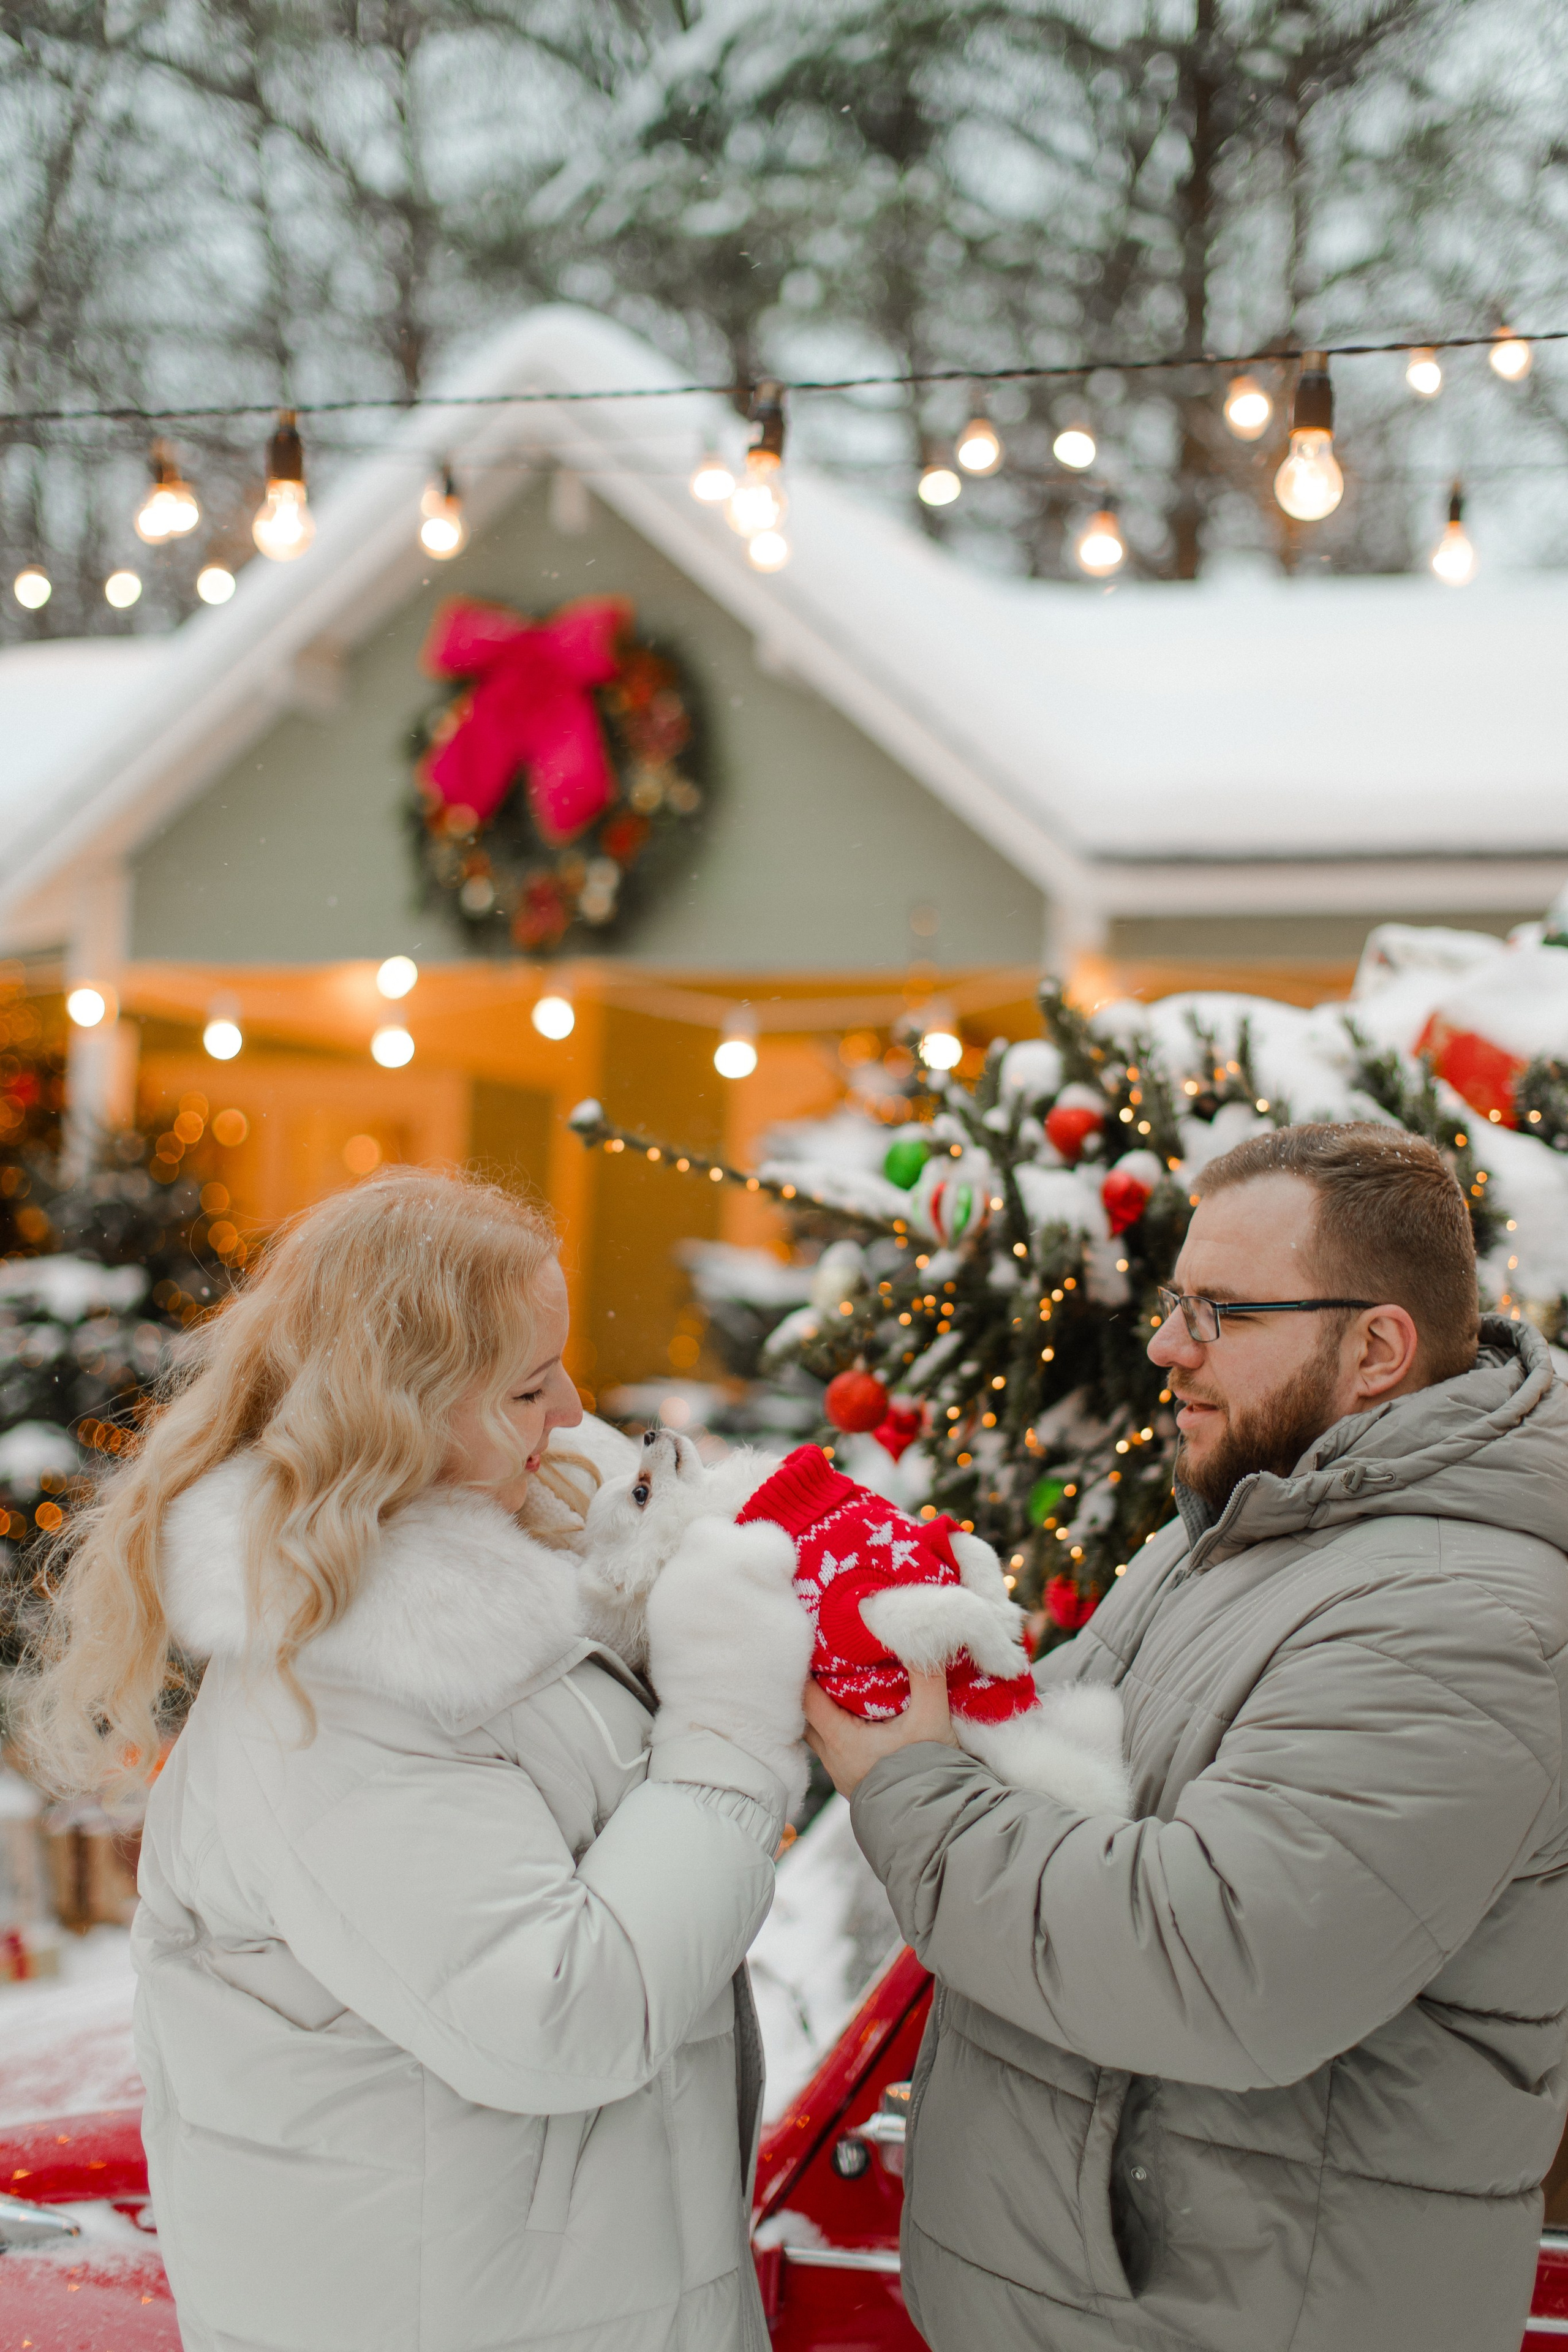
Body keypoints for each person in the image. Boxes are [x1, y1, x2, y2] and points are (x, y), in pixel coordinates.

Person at [804, 1122, 1568, 2352]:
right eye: (1173, 1304)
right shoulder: (1245, 1527)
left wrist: (907, 1782)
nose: (1165, 1347)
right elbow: (1063, 1762)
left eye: (1217, 1313)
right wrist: (906, 1641)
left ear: (1375, 1346)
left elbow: (1214, 1963)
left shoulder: (1456, 1619)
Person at [22, 1168, 812, 2352]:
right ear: (401, 1407)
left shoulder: (462, 1612)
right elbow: (558, 2015)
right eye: (531, 1386)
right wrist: (726, 1742)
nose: (571, 1410)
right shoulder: (341, 1687)